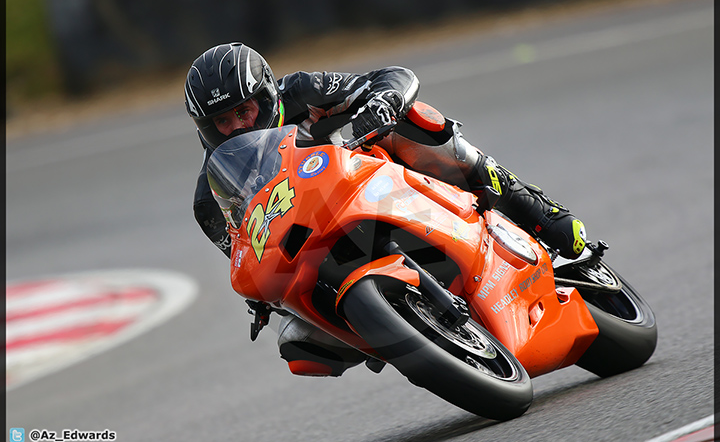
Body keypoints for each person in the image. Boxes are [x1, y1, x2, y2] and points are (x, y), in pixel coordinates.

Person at [185, 42, 588, 377]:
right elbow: (244, 252)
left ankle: (532, 205)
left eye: (244, 111)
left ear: (267, 97)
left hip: (364, 180)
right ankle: (392, 329)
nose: (238, 126)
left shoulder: (302, 92)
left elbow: (392, 76)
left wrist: (383, 102)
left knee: (413, 121)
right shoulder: (209, 200)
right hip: (311, 251)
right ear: (205, 127)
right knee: (297, 343)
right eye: (222, 120)